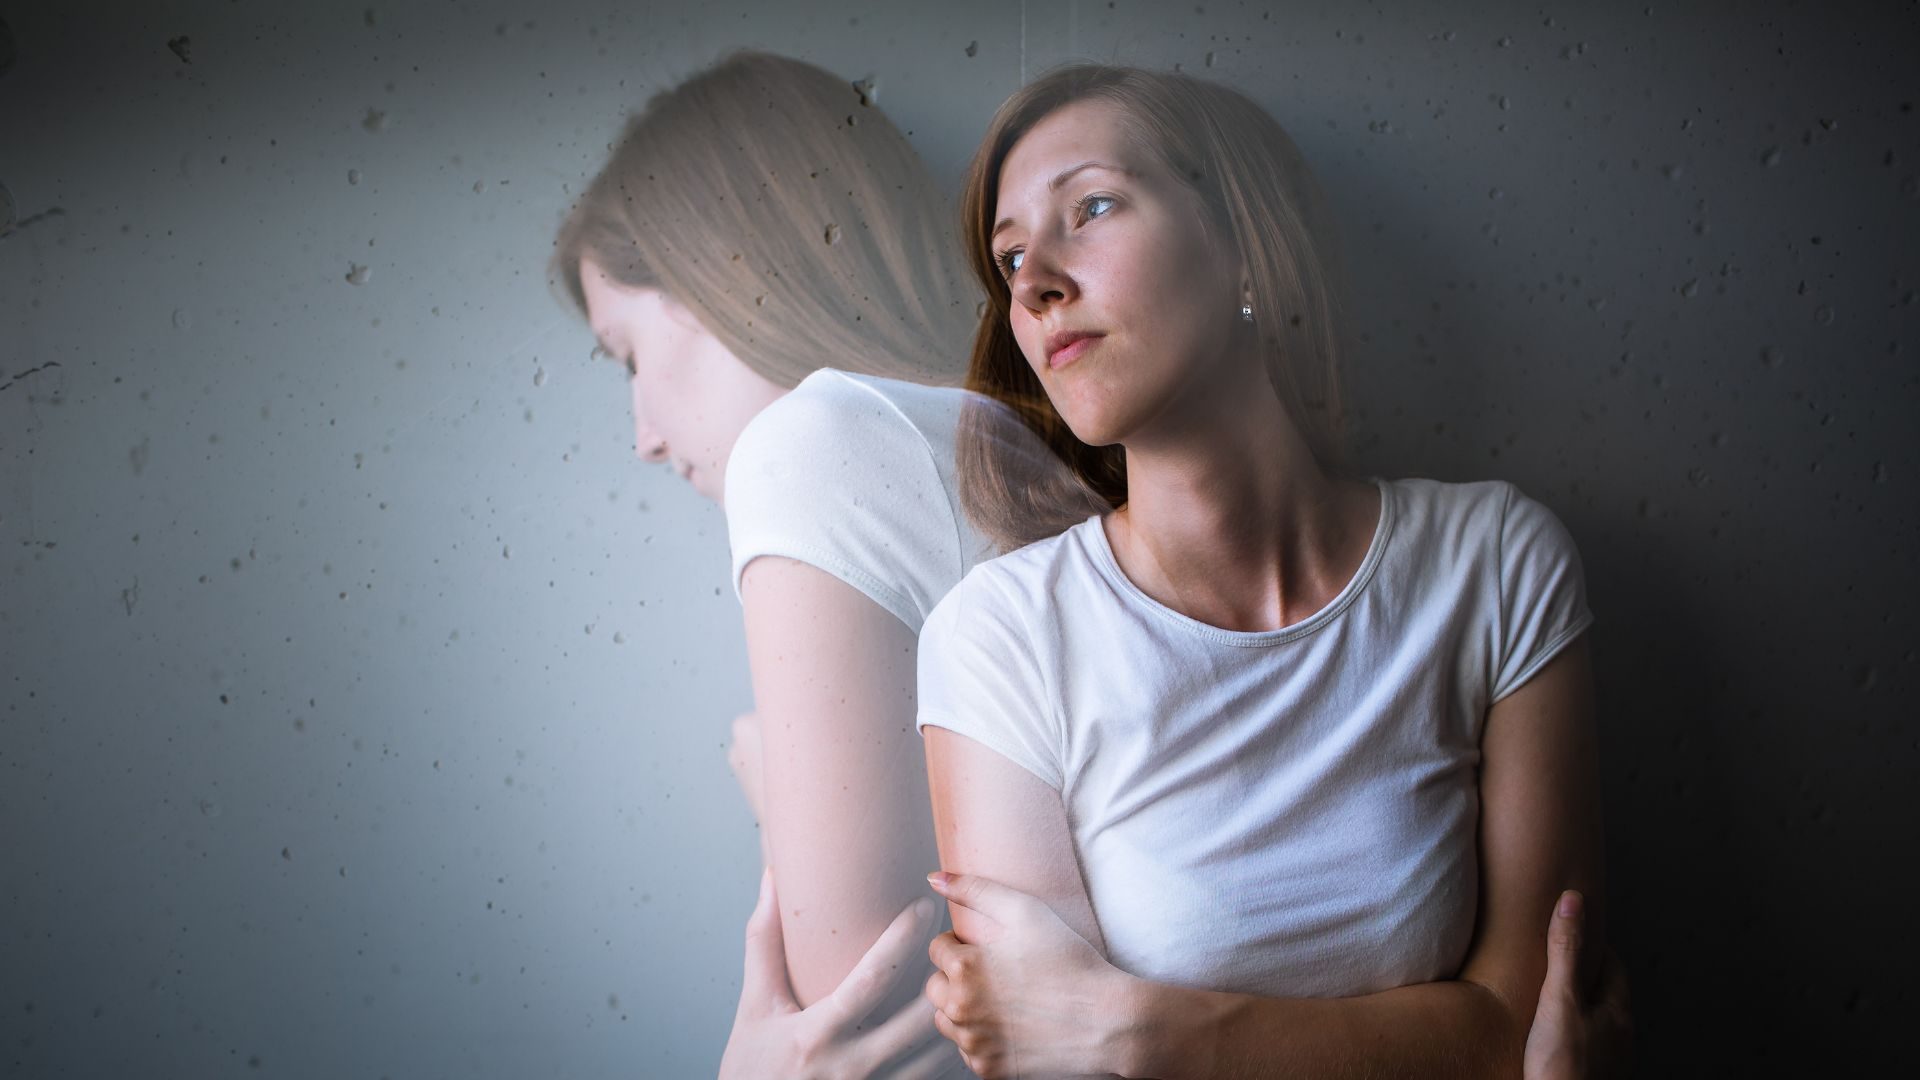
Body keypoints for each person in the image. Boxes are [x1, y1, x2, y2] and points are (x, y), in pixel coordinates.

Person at [914, 63, 1621, 1078]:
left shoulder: (1496, 566)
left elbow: (1530, 1024)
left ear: (1244, 246)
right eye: (1012, 257)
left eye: (1094, 207)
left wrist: (1147, 1033)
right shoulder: (1001, 637)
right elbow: (1042, 1061)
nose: (1033, 284)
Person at [549, 49, 1099, 1078]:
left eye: (626, 356)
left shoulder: (809, 445)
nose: (643, 435)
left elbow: (863, 1026)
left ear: (714, 275)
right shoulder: (1004, 445)